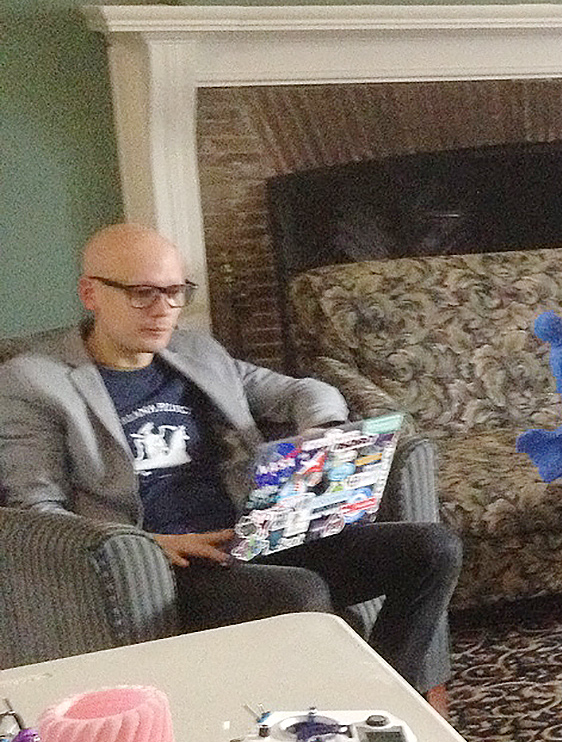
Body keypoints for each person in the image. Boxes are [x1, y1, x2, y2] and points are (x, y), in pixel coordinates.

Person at [0, 224, 460, 711]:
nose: (163, 310)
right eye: (142, 294)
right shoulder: (33, 383)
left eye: (175, 292)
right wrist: (153, 544)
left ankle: (384, 708)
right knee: (299, 592)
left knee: (433, 549)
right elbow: (36, 510)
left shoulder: (195, 352)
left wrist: (321, 431)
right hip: (170, 564)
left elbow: (303, 390)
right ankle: (331, 729)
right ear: (91, 293)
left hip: (254, 534)